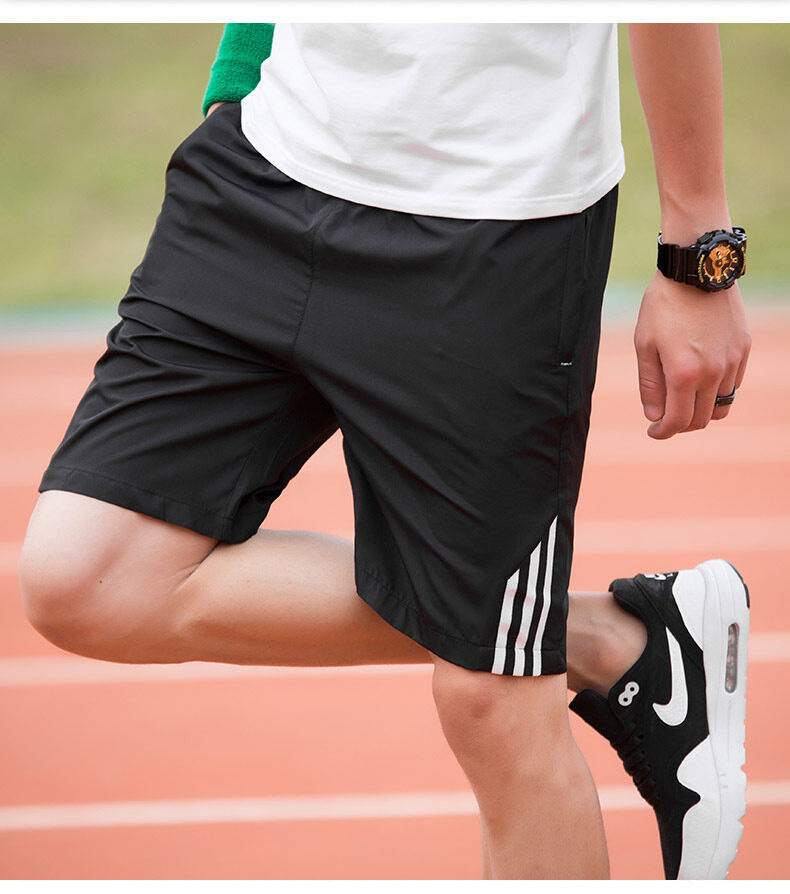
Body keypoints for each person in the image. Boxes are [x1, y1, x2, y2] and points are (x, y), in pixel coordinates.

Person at [18, 23, 751, 879]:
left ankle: (544, 635)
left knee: (490, 703)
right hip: (262, 171)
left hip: (493, 232)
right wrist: (237, 76)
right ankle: (607, 636)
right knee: (87, 578)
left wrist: (701, 253)